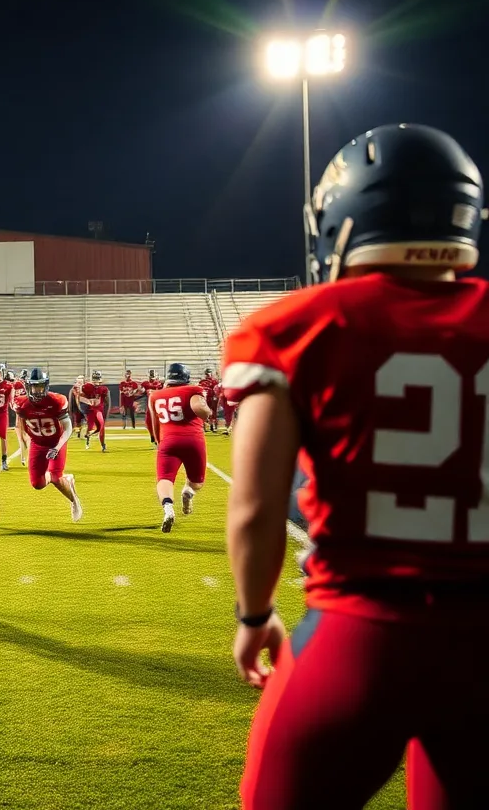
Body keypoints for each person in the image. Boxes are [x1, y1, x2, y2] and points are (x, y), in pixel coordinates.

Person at [222, 124, 489, 809]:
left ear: (344, 220)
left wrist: (254, 614)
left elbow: (254, 509)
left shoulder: (295, 326)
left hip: (361, 634)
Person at [13, 367, 83, 521]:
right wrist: (24, 444)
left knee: (57, 477)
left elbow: (68, 427)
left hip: (55, 441)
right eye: (34, 386)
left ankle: (74, 500)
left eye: (40, 386)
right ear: (28, 386)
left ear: (46, 386)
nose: (37, 391)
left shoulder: (56, 401)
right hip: (37, 443)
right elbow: (21, 425)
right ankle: (67, 480)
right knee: (37, 484)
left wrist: (57, 447)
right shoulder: (21, 404)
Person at [148, 363, 210, 533]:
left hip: (167, 441)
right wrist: (208, 412)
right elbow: (200, 409)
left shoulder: (155, 396)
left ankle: (168, 508)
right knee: (197, 482)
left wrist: (159, 442)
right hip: (193, 441)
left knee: (165, 478)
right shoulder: (193, 390)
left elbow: (155, 424)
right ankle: (188, 492)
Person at [81, 370, 110, 452]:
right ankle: (88, 440)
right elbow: (80, 398)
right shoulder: (87, 387)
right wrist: (86, 403)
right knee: (91, 427)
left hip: (98, 409)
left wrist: (105, 411)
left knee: (101, 426)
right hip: (90, 410)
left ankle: (103, 445)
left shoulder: (103, 389)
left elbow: (106, 401)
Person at [8, 369, 27, 465]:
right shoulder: (22, 384)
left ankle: (24, 458)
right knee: (23, 437)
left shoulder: (12, 386)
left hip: (21, 412)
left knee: (22, 437)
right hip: (24, 412)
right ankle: (23, 458)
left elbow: (12, 402)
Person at [141, 369, 164, 446]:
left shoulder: (159, 384)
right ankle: (152, 436)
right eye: (151, 377)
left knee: (159, 423)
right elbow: (141, 392)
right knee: (148, 423)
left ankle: (159, 439)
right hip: (149, 406)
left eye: (153, 377)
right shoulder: (145, 384)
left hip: (158, 406)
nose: (152, 379)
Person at [198, 368, 220, 433]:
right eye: (208, 373)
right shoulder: (203, 382)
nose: (208, 374)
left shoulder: (213, 381)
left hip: (211, 399)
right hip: (207, 399)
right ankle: (208, 426)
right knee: (206, 412)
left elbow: (217, 390)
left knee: (213, 412)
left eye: (209, 373)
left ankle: (212, 426)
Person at [69, 374, 87, 439]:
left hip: (83, 405)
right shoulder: (74, 388)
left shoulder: (86, 387)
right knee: (77, 419)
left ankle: (80, 432)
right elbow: (75, 398)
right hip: (77, 406)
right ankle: (78, 432)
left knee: (80, 420)